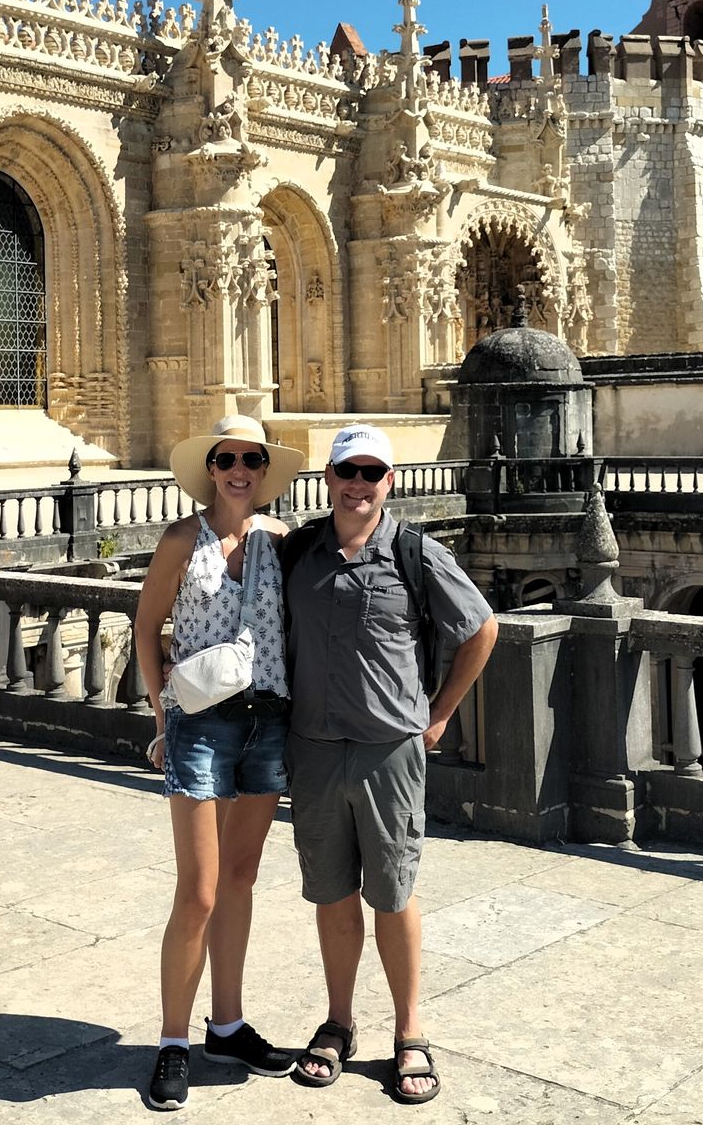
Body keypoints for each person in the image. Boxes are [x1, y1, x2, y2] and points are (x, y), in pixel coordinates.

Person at [282, 423, 497, 1105]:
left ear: (389, 482)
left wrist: (439, 715)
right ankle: (338, 1023)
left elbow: (481, 628)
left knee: (394, 894)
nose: (358, 484)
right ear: (329, 478)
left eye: (372, 473)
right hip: (314, 748)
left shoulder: (414, 551)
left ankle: (410, 1033)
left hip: (388, 751)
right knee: (331, 892)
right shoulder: (299, 551)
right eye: (348, 471)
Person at [132, 415, 308, 1110]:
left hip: (268, 720)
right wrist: (161, 713)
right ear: (210, 467)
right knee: (198, 890)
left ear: (264, 471)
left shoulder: (282, 541)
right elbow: (148, 626)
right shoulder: (182, 538)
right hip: (200, 724)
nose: (239, 469)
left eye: (251, 459)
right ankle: (173, 1039)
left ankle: (226, 1026)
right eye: (227, 458)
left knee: (240, 879)